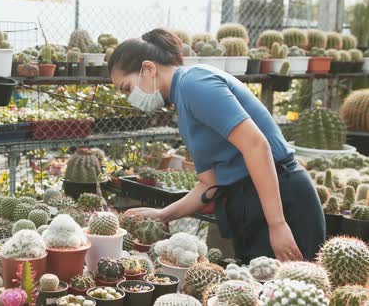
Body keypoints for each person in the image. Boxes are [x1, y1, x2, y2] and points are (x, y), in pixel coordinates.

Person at [109, 28, 325, 262]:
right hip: (251, 204)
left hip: (282, 200)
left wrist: (278, 223)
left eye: (128, 88)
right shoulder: (183, 104)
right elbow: (208, 185)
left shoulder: (195, 84)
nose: (130, 97)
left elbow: (256, 145)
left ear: (149, 68)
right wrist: (163, 215)